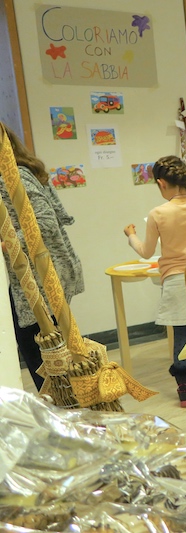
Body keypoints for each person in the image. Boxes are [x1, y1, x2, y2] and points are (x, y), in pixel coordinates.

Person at [123, 155, 186, 408]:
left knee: (181, 333)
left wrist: (131, 235)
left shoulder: (157, 213)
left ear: (161, 183)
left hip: (174, 280)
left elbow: (146, 252)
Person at [0, 122, 84, 391]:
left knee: (47, 356)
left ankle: (65, 409)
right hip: (33, 277)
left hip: (40, 277)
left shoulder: (14, 176)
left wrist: (8, 244)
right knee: (47, 354)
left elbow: (45, 222)